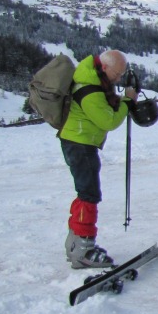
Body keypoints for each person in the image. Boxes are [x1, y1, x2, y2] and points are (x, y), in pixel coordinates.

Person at [60, 50, 137, 268]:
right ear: (105, 67)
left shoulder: (91, 79)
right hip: (80, 143)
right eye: (117, 73)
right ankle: (84, 247)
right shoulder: (91, 90)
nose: (118, 78)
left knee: (85, 193)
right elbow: (109, 121)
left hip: (79, 141)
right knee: (89, 194)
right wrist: (128, 103)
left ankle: (76, 243)